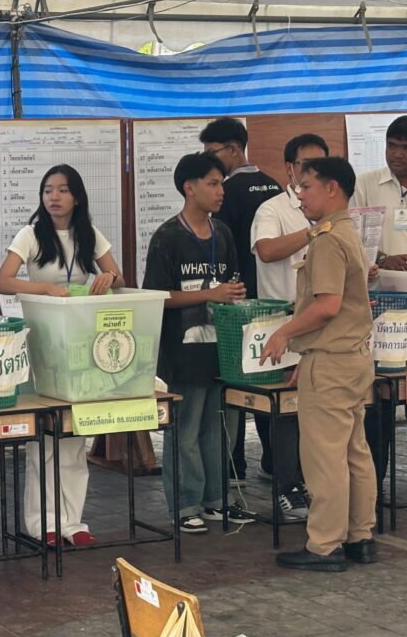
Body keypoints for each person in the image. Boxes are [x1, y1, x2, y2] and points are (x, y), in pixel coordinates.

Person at [0, 164, 124, 547]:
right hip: (42, 343)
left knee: (73, 434)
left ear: (77, 196)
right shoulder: (31, 234)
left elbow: (117, 274)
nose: (54, 196)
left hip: (82, 344)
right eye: (48, 190)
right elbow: (2, 280)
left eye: (62, 190)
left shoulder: (90, 235)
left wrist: (108, 279)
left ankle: (73, 522)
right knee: (45, 437)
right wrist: (44, 289)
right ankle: (42, 523)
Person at [262, 157, 377, 572]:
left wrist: (285, 333)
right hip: (352, 357)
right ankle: (360, 536)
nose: (300, 195)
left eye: (307, 187)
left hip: (330, 363)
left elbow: (327, 306)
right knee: (353, 453)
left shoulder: (328, 239)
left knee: (324, 457)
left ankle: (324, 545)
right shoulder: (346, 230)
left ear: (332, 189)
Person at [142, 152, 252, 533]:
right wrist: (210, 295)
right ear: (189, 188)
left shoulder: (222, 233)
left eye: (221, 183)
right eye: (212, 183)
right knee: (184, 431)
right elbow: (156, 296)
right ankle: (186, 503)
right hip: (182, 353)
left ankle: (216, 499)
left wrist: (231, 293)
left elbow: (233, 285)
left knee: (221, 428)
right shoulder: (168, 237)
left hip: (220, 350)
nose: (221, 191)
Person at [352, 114, 407, 492]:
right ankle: (373, 480)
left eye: (406, 147)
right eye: (392, 145)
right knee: (379, 391)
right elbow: (354, 239)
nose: (397, 154)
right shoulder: (367, 185)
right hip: (379, 300)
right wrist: (384, 259)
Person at [249, 133, 330, 519]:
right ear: (289, 169)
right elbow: (266, 251)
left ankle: (309, 484)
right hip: (280, 323)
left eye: (319, 166)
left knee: (313, 412)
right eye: (304, 166)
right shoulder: (273, 209)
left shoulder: (332, 208)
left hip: (322, 325)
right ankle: (286, 488)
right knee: (284, 412)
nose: (311, 173)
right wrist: (314, 230)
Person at [199, 117, 283, 486]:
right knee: (269, 381)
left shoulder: (228, 192)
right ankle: (274, 459)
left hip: (238, 302)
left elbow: (222, 247)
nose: (210, 164)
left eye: (211, 154)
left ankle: (235, 465)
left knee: (234, 382)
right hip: (273, 300)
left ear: (233, 149)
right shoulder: (275, 185)